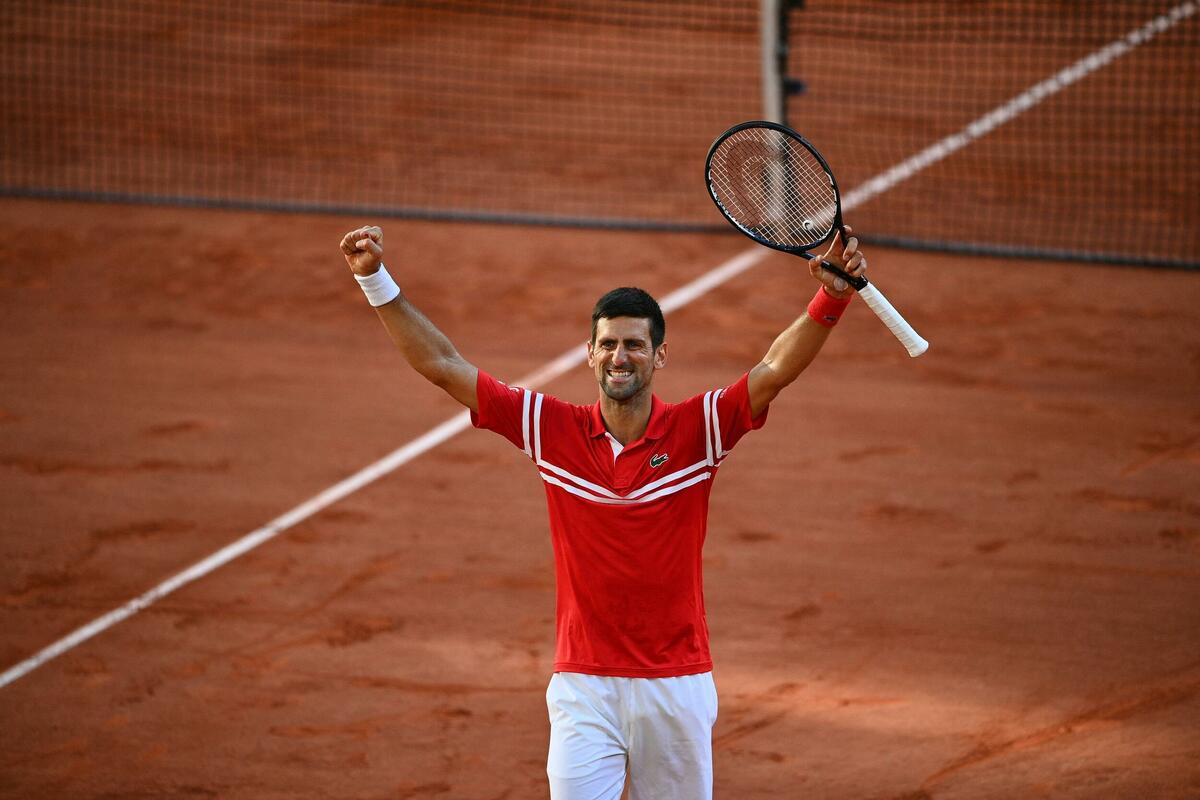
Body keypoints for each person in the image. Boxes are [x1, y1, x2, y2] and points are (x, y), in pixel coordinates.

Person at [339, 224, 866, 800]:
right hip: (583, 685)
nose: (620, 356)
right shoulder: (550, 428)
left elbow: (773, 371)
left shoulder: (699, 430)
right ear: (590, 353)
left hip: (677, 683)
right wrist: (374, 279)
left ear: (659, 355)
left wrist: (831, 297)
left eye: (634, 344)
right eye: (609, 344)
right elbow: (444, 364)